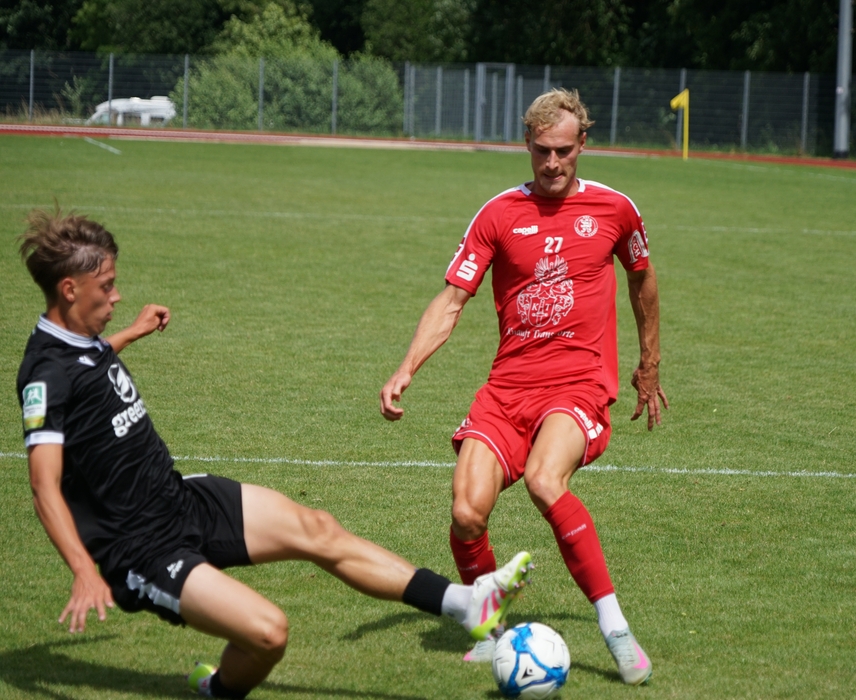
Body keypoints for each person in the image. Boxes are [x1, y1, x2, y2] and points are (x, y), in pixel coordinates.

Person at [16, 207, 533, 700]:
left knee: (319, 528)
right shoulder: (45, 374)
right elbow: (43, 486)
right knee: (269, 633)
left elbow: (90, 365)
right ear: (70, 289)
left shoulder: (81, 340)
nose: (117, 294)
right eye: (106, 286)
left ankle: (467, 604)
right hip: (138, 549)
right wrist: (83, 569)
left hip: (178, 499)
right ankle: (217, 689)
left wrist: (131, 333)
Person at [379, 88, 667, 685]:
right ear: (527, 144)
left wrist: (649, 365)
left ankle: (615, 629)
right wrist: (407, 367)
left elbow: (643, 281)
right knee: (466, 511)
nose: (552, 163)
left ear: (582, 143)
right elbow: (453, 300)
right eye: (541, 151)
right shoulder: (498, 214)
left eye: (563, 150)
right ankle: (493, 632)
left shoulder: (616, 209)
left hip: (578, 386)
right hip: (507, 390)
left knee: (543, 479)